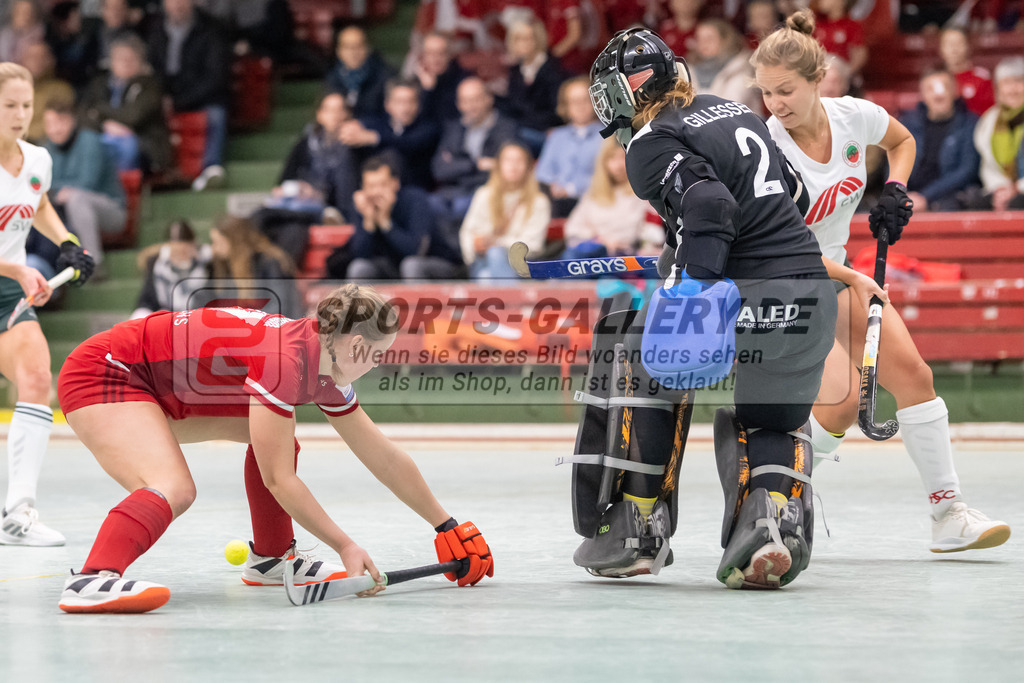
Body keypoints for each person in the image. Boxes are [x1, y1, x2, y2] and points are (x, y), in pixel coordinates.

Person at [577, 27, 837, 589]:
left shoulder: (648, 143)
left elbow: (711, 205)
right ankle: (769, 522)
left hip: (750, 295)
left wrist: (692, 282)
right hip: (811, 296)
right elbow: (793, 192)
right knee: (771, 420)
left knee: (642, 361)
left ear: (626, 91)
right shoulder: (730, 108)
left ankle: (639, 525)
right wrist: (685, 245)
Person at [55, 283, 493, 613]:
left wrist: (445, 525)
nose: (376, 365)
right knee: (174, 487)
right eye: (378, 355)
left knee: (277, 440)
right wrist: (345, 546)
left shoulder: (321, 358)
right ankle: (92, 579)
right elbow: (278, 480)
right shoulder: (284, 360)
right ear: (357, 345)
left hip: (155, 382)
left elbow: (383, 456)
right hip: (105, 371)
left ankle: (271, 560)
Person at [753, 10, 1010, 552]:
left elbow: (902, 141)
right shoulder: (766, 149)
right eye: (766, 92)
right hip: (786, 286)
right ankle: (767, 497)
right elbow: (782, 246)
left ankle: (948, 516)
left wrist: (896, 188)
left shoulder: (853, 116)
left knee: (914, 375)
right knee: (841, 404)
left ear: (817, 80)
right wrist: (852, 275)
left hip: (835, 275)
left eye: (785, 90)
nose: (774, 104)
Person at [0, 61, 95, 546]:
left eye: (26, 105)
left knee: (37, 379)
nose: (20, 114)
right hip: (12, 278)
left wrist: (66, 242)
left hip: (7, 295)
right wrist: (17, 269)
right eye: (9, 105)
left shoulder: (37, 159)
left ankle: (17, 514)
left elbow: (36, 205)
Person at [252, 92, 359, 266]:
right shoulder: (305, 144)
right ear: (319, 114)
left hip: (333, 211)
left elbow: (351, 191)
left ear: (347, 114)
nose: (335, 115)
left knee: (294, 229)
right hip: (301, 207)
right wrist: (300, 189)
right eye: (329, 110)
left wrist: (318, 194)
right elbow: (283, 183)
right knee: (262, 217)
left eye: (340, 110)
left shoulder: (354, 149)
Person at [146, 0, 231, 191]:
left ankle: (211, 168)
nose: (178, 5)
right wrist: (162, 97)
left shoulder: (210, 28)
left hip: (203, 96)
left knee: (215, 114)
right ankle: (161, 172)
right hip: (167, 96)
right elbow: (152, 71)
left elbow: (215, 77)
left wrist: (181, 101)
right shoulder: (156, 30)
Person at [347, 154, 463, 280]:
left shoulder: (415, 200)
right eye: (371, 186)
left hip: (436, 262)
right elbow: (359, 255)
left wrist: (385, 223)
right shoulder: (364, 206)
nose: (376, 192)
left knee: (411, 266)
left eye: (382, 185)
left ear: (395, 183)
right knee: (359, 267)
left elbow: (416, 251)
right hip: (392, 267)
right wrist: (368, 222)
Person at [43, 97, 126, 270]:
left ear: (72, 120)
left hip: (110, 209)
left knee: (76, 198)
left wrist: (61, 191)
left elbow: (87, 183)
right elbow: (46, 186)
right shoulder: (45, 149)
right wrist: (60, 191)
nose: (55, 129)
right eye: (49, 124)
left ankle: (94, 264)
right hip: (66, 209)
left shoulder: (90, 141)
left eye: (60, 122)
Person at [430, 77, 520, 229]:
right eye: (465, 101)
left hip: (487, 190)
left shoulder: (507, 129)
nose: (470, 106)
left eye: (476, 100)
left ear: (489, 99)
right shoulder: (453, 129)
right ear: (458, 104)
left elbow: (507, 168)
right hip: (451, 192)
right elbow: (439, 169)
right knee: (428, 204)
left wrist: (456, 165)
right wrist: (475, 165)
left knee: (462, 207)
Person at [79, 33, 173, 175]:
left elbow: (133, 116)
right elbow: (81, 114)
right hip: (102, 136)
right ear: (111, 61)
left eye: (131, 59)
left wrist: (99, 111)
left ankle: (123, 185)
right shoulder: (99, 84)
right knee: (86, 140)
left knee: (126, 143)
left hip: (145, 146)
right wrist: (105, 126)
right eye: (121, 59)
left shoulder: (150, 85)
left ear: (141, 62)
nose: (126, 63)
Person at [459, 141, 550, 280]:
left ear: (528, 166)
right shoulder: (484, 194)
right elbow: (467, 233)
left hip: (521, 265)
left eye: (519, 161)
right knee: (486, 272)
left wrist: (498, 245)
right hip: (483, 260)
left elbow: (534, 244)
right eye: (508, 160)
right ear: (499, 165)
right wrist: (476, 245)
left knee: (489, 268)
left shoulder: (539, 201)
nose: (513, 166)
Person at [562, 138, 663, 260]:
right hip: (596, 254)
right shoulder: (592, 194)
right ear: (603, 162)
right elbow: (573, 230)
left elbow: (652, 237)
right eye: (612, 158)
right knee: (573, 255)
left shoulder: (644, 194)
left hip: (628, 256)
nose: (618, 165)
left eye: (622, 158)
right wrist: (599, 241)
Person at [899, 68, 981, 212]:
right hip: (908, 195)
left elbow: (967, 170)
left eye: (944, 87)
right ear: (922, 95)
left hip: (950, 196)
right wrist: (900, 194)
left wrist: (926, 197)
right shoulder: (907, 124)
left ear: (955, 91)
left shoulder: (970, 124)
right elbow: (893, 162)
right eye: (931, 89)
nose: (938, 95)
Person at [339, 78, 441, 190]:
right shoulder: (378, 123)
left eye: (410, 101)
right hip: (369, 187)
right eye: (399, 102)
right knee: (348, 152)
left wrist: (375, 138)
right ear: (388, 104)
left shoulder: (428, 128)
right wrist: (353, 128)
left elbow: (407, 144)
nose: (405, 108)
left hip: (412, 189)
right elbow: (363, 125)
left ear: (418, 105)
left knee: (392, 155)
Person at [535, 76, 604, 218]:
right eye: (574, 101)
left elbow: (607, 177)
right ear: (565, 106)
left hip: (592, 201)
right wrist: (554, 187)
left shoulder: (608, 136)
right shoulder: (556, 136)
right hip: (556, 201)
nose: (580, 106)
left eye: (585, 100)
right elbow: (543, 172)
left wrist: (572, 189)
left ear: (595, 101)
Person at [207, 215, 301, 319]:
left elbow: (280, 307)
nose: (214, 249)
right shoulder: (223, 266)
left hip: (275, 325)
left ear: (235, 242)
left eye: (218, 242)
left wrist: (242, 321)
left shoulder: (268, 262)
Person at [500, 18, 566, 156]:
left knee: (512, 139)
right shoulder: (515, 71)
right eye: (518, 39)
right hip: (522, 129)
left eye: (528, 38)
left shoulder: (553, 69)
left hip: (547, 131)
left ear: (538, 39)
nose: (523, 44)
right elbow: (513, 106)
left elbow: (557, 110)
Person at [971, 56, 1024, 211]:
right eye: (1006, 82)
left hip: (1020, 190)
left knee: (1017, 204)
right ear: (998, 89)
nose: (1013, 89)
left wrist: (1016, 188)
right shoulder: (989, 120)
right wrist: (1000, 189)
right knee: (976, 203)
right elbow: (987, 167)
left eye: (1019, 81)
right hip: (1000, 187)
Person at [131, 218, 211, 319]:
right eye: (176, 250)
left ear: (192, 244)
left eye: (184, 250)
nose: (180, 254)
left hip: (195, 313)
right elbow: (146, 299)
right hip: (165, 312)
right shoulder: (158, 264)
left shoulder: (206, 262)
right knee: (140, 315)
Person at [689, 19, 761, 112]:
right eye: (699, 39)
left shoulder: (741, 68)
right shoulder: (689, 69)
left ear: (725, 40)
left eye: (709, 38)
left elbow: (731, 106)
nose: (703, 43)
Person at [325, 25, 395, 120]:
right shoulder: (333, 79)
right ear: (338, 51)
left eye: (358, 46)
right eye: (347, 47)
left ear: (368, 48)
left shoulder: (386, 77)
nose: (353, 52)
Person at [939, 27, 995, 118]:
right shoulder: (935, 80)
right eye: (949, 44)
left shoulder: (982, 79)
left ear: (968, 46)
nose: (954, 49)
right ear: (941, 49)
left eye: (958, 43)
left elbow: (990, 116)